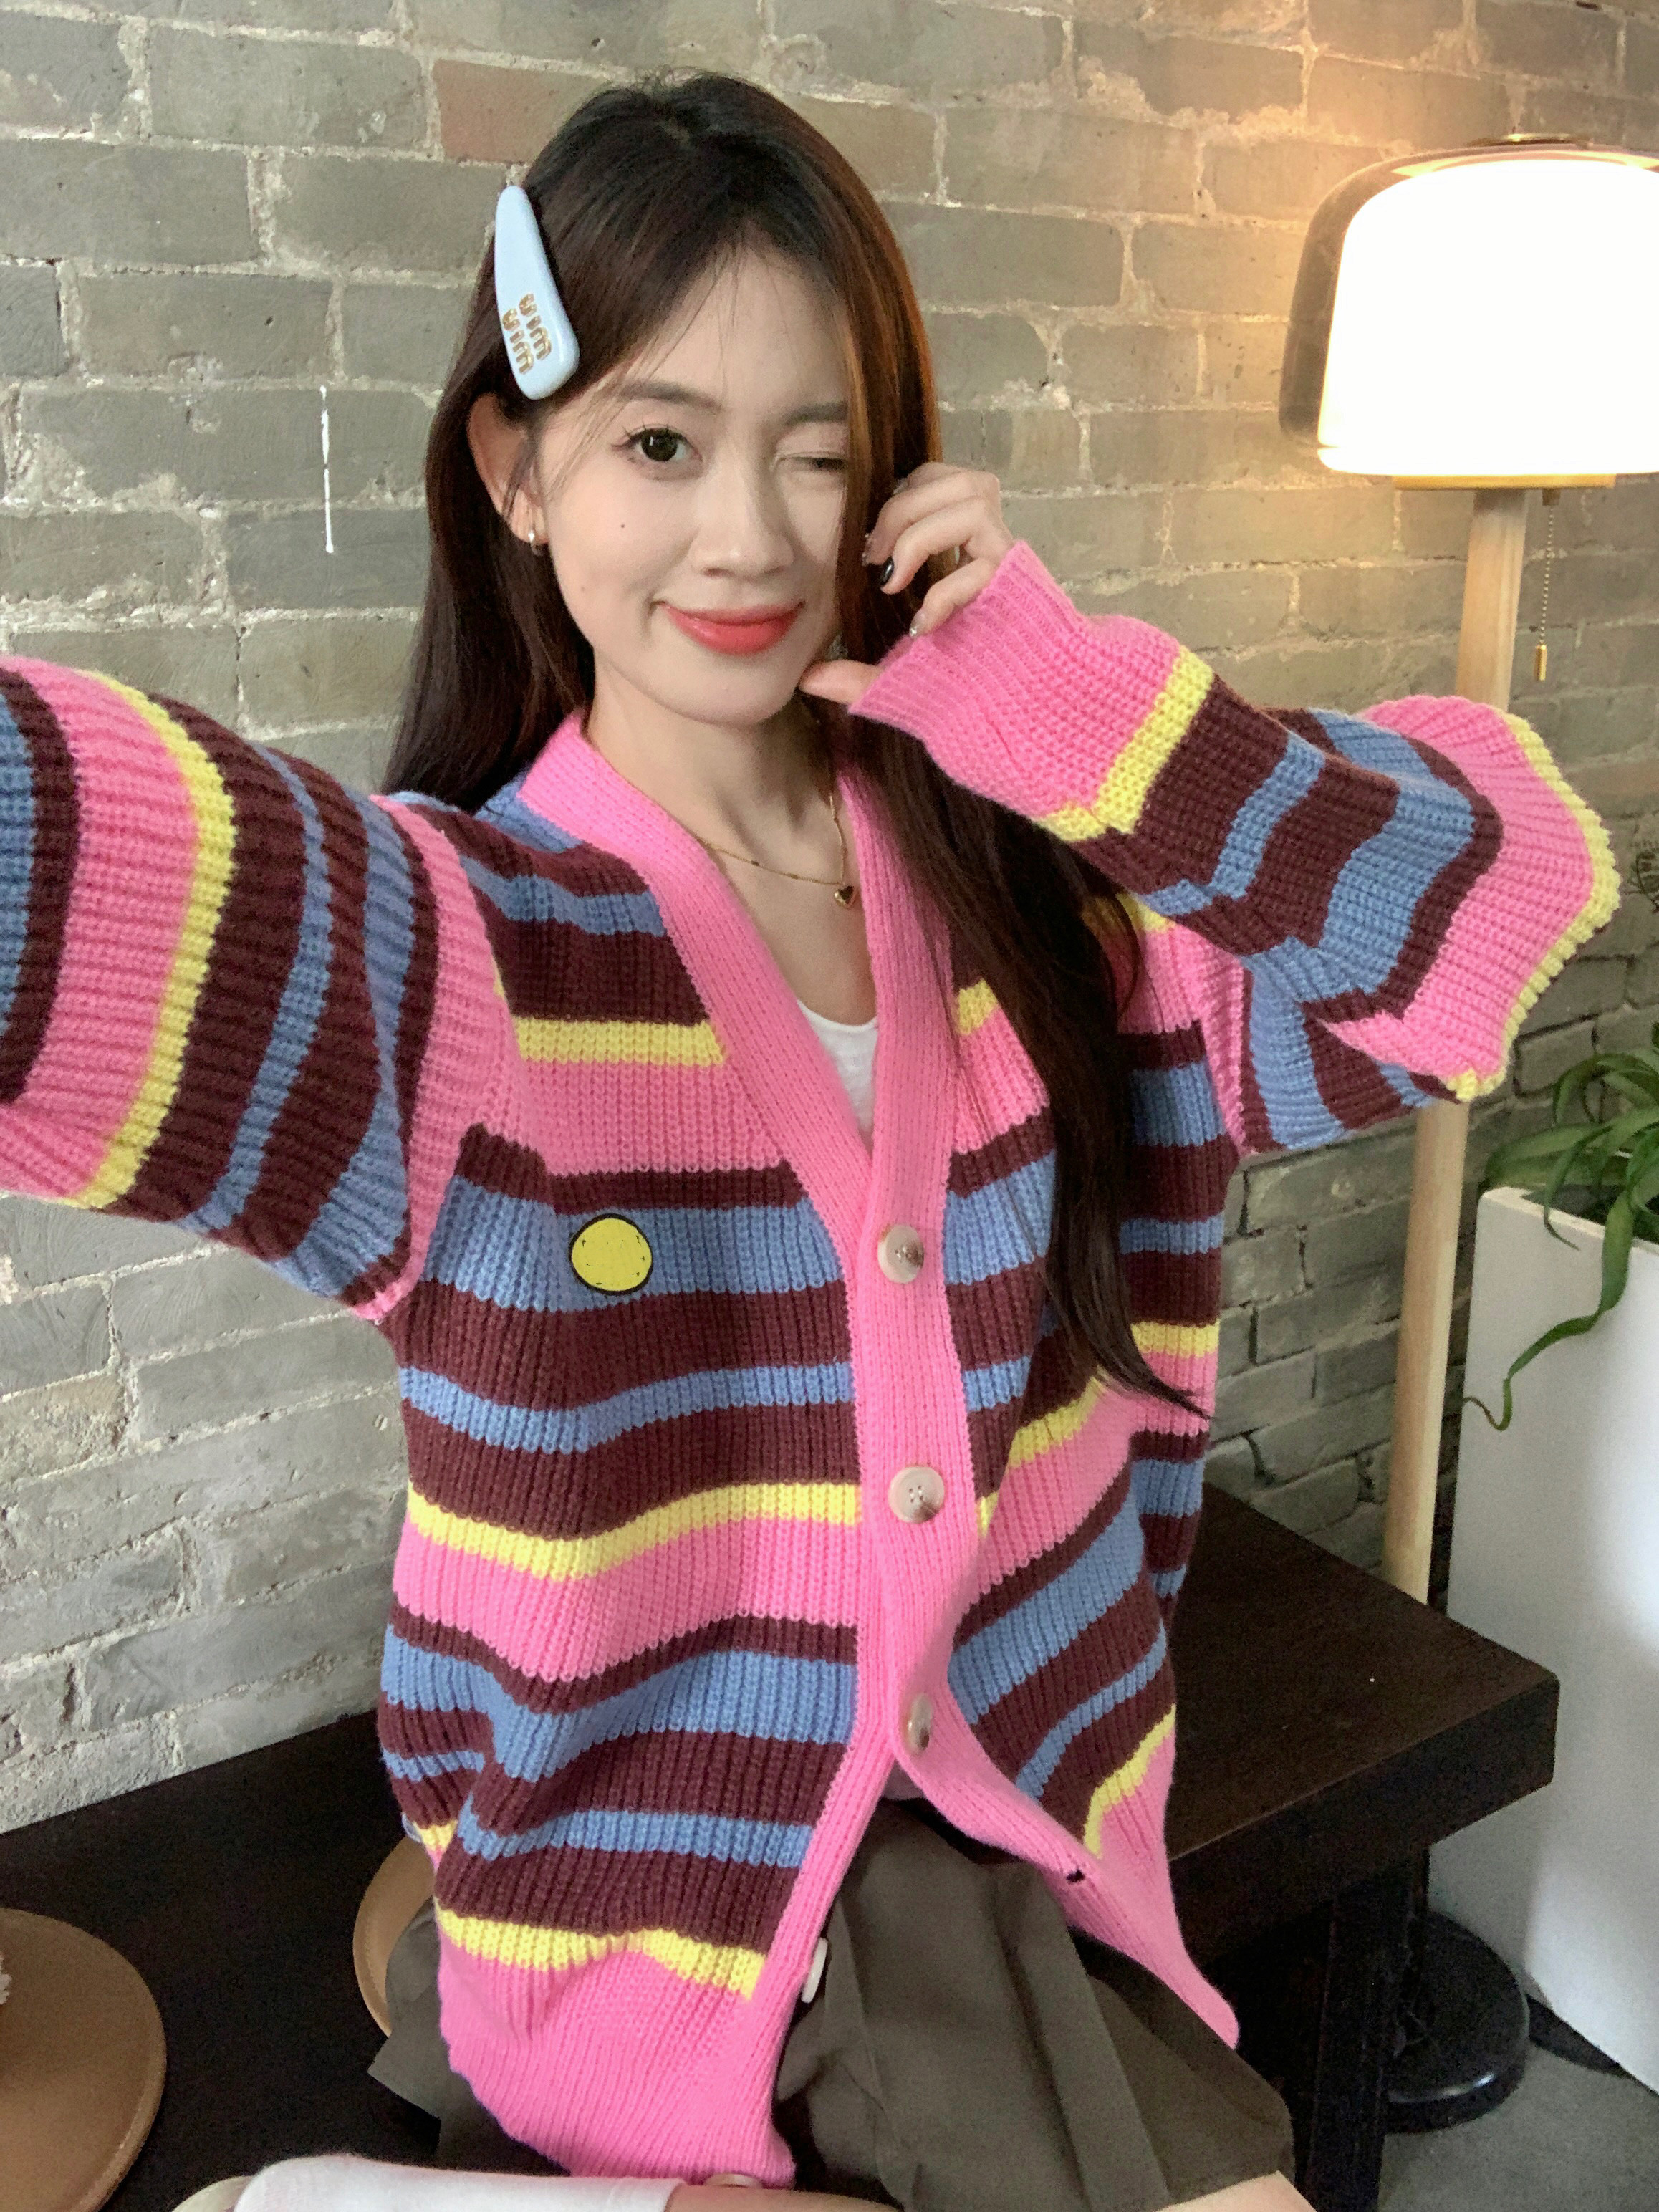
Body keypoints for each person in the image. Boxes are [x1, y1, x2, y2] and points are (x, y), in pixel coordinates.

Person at [0, 70, 1617, 2212]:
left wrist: (1071, 713)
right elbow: (51, 852)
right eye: (661, 443)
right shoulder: (459, 963)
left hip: (1018, 1857)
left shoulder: (1073, 923)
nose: (752, 538)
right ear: (516, 470)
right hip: (646, 1924)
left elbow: (1495, 908)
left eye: (820, 448)